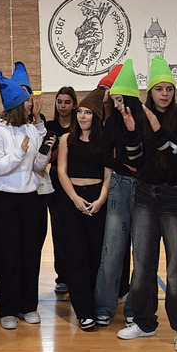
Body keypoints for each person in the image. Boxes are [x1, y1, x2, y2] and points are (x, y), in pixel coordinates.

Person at [116, 55, 177, 352]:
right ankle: (143, 322)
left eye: (169, 89)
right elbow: (134, 160)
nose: (164, 93)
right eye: (158, 89)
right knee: (142, 262)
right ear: (150, 92)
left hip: (174, 195)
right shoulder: (140, 117)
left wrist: (159, 132)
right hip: (144, 194)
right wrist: (131, 131)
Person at [0, 69, 51, 330]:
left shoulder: (31, 129)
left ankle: (29, 306)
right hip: (5, 200)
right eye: (27, 101)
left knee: (30, 254)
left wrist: (44, 153)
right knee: (8, 256)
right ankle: (8, 309)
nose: (31, 105)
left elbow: (36, 167)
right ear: (17, 105)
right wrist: (19, 153)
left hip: (30, 200)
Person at [94, 60, 142, 327]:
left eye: (120, 99)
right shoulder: (112, 122)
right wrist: (123, 163)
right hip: (120, 184)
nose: (117, 105)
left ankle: (136, 307)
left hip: (144, 188)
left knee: (142, 253)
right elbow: (105, 156)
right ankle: (103, 306)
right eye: (114, 100)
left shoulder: (145, 120)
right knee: (111, 248)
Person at [58, 88, 111, 330]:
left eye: (88, 113)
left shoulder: (104, 141)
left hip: (97, 200)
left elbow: (109, 174)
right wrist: (75, 199)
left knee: (96, 255)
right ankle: (84, 312)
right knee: (76, 255)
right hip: (73, 200)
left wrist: (100, 200)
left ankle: (98, 306)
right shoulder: (66, 140)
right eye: (80, 112)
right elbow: (61, 171)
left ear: (96, 116)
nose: (82, 116)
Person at [44, 86, 78, 294]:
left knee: (77, 231)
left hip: (78, 180)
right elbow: (45, 158)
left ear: (74, 105)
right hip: (56, 181)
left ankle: (78, 274)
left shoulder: (80, 125)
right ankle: (62, 276)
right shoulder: (50, 127)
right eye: (59, 102)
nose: (63, 106)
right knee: (59, 231)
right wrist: (63, 146)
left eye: (67, 102)